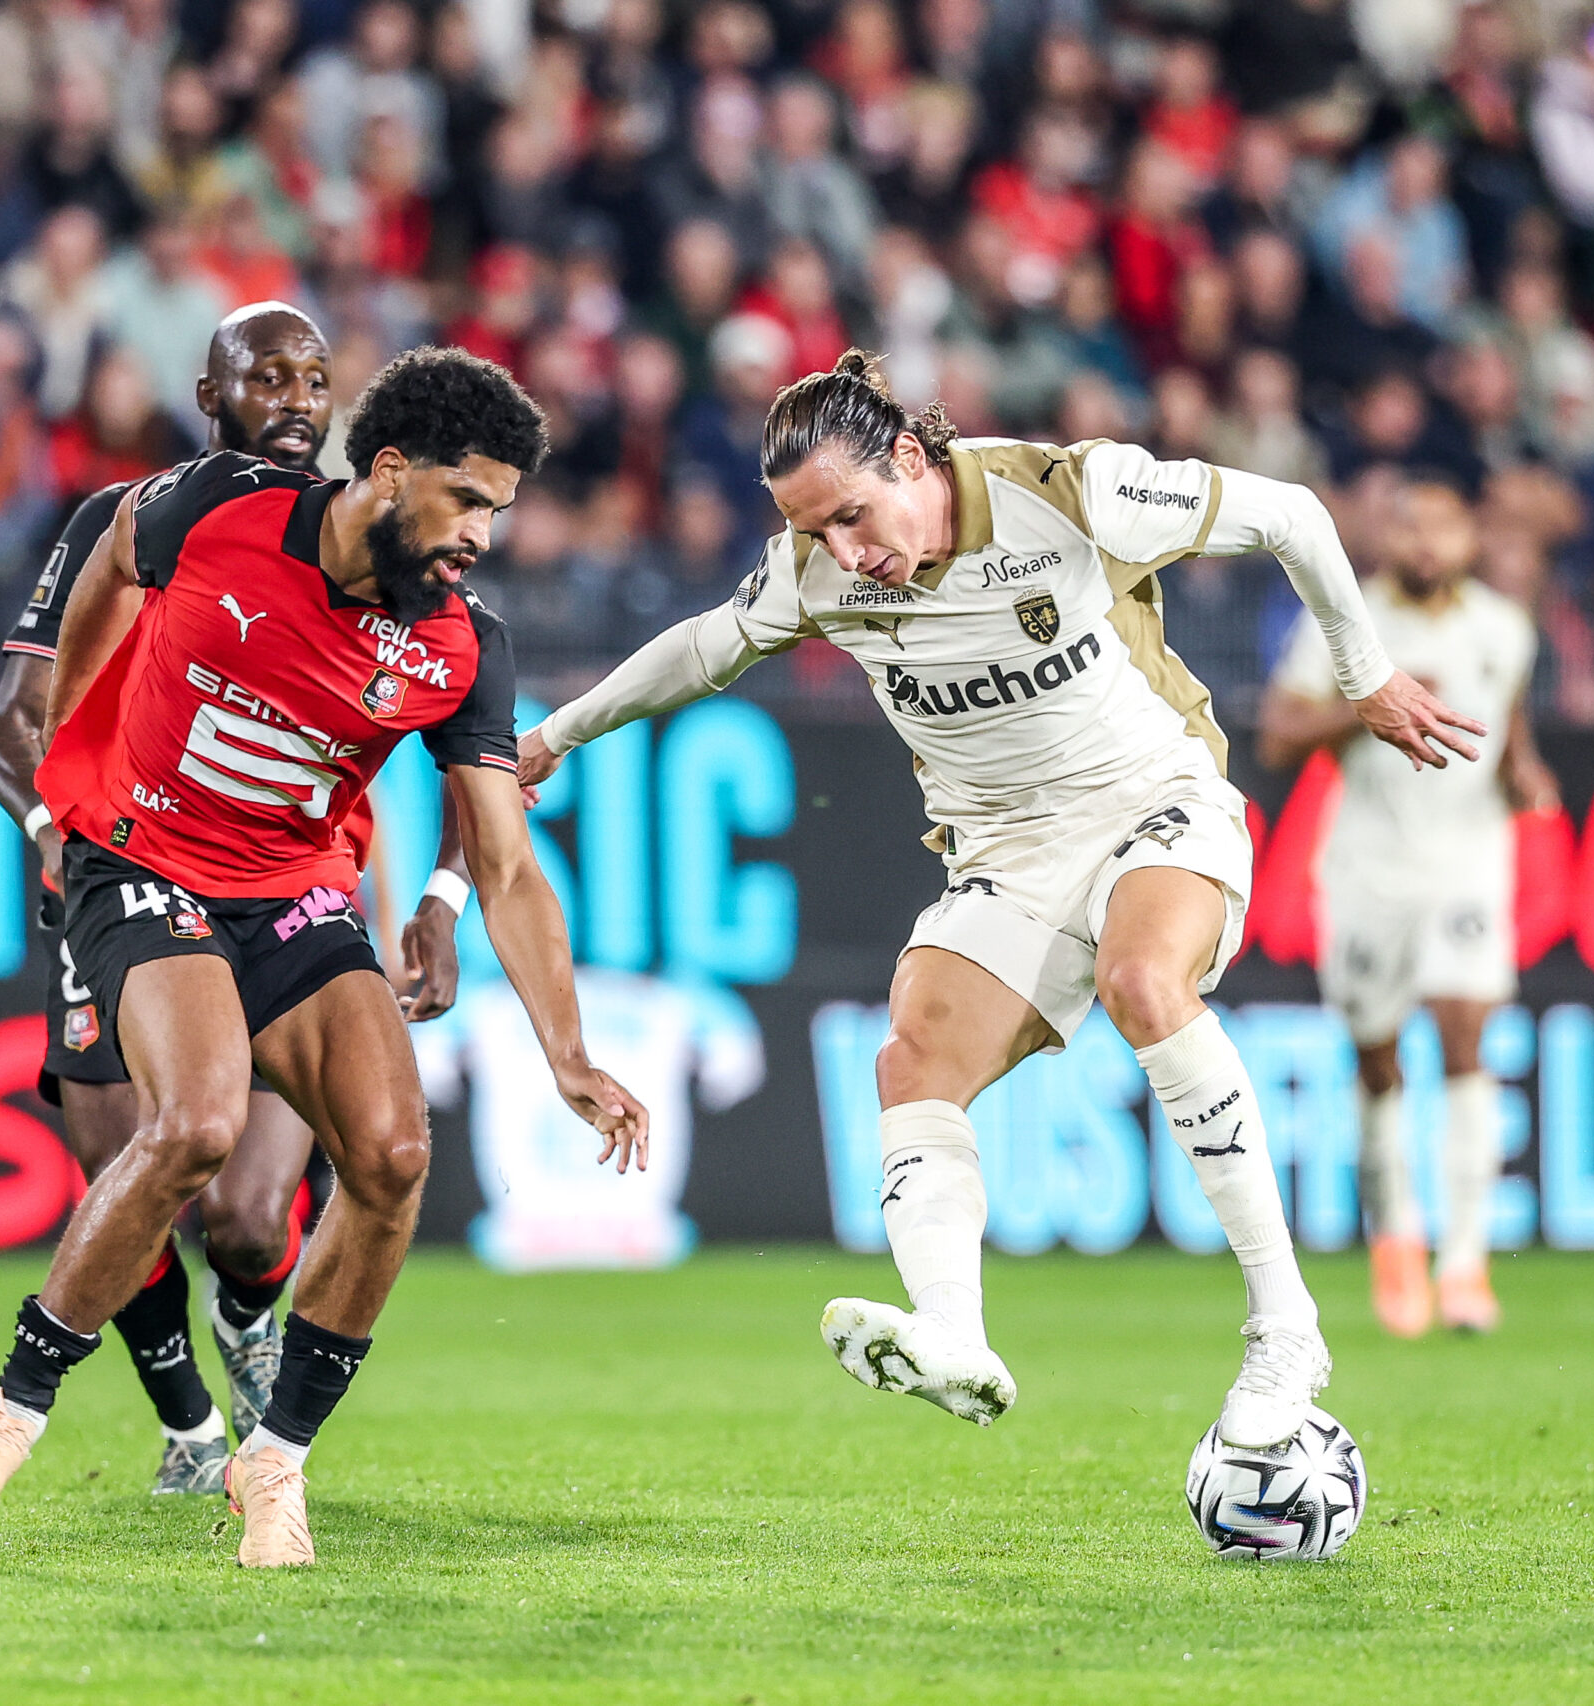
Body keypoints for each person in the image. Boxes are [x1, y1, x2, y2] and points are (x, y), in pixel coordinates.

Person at [520, 351, 1476, 1450]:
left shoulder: (1068, 492)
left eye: (851, 515)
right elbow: (701, 647)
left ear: (913, 456)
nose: (842, 553)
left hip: (1155, 800)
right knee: (912, 1058)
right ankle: (953, 1334)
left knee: (1141, 980)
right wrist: (555, 733)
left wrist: (1363, 676)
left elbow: (1296, 516)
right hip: (1007, 854)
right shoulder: (816, 570)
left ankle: (1284, 1324)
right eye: (814, 531)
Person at [0, 345, 645, 1567]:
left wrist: (565, 1049)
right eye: (467, 499)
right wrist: (75, 742)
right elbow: (109, 556)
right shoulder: (217, 507)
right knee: (196, 1125)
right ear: (392, 468)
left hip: (293, 894)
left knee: (393, 1149)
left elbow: (509, 861)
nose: (481, 533)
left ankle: (275, 1460)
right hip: (140, 859)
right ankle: (9, 1411)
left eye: (499, 512)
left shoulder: (461, 645)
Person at [0, 302, 474, 1497]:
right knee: (141, 1167)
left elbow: (452, 741)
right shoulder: (143, 516)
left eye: (316, 380)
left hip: (285, 891)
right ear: (212, 396)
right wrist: (56, 829)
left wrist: (424, 899)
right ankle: (190, 1422)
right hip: (135, 872)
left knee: (250, 1216)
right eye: (268, 378)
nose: (297, 400)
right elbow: (13, 723)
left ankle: (252, 1330)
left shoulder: (382, 544)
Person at [1259, 479, 1553, 1336]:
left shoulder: (1504, 627)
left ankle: (1465, 1264)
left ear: (1469, 538)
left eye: (1443, 527)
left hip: (1468, 858)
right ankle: (1397, 1240)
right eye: (1411, 527)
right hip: (1369, 868)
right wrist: (1371, 704)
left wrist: (1522, 773)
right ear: (1388, 539)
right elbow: (1278, 735)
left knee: (1466, 1034)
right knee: (1379, 1062)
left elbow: (1508, 727)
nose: (1427, 543)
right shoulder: (1346, 622)